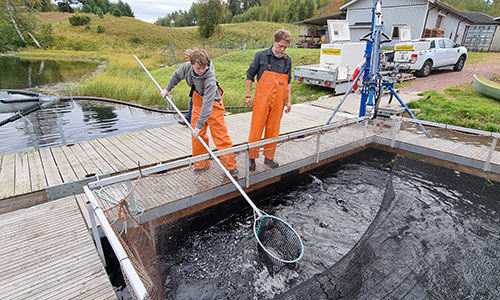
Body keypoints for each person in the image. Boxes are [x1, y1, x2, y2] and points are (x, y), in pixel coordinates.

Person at [161, 48, 239, 177]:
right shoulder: (186, 68)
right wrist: (167, 89)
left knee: (220, 136)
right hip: (197, 102)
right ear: (191, 65)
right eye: (198, 68)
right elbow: (176, 76)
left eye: (204, 67)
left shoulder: (210, 78)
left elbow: (207, 106)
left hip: (213, 104)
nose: (202, 71)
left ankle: (231, 167)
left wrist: (198, 125)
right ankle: (201, 164)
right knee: (197, 136)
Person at [246, 29, 292, 171]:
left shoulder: (287, 60)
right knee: (257, 127)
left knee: (273, 129)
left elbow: (288, 81)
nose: (282, 50)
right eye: (280, 46)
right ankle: (252, 158)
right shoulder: (260, 56)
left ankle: (269, 157)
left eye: (285, 47)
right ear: (274, 41)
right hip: (262, 98)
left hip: (279, 100)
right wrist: (248, 95)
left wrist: (289, 100)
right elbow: (250, 75)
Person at [179, 48, 194, 126]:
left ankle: (189, 120)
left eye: (187, 58)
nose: (186, 60)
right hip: (194, 88)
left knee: (194, 103)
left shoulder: (196, 65)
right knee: (192, 103)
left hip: (201, 89)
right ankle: (188, 120)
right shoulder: (187, 66)